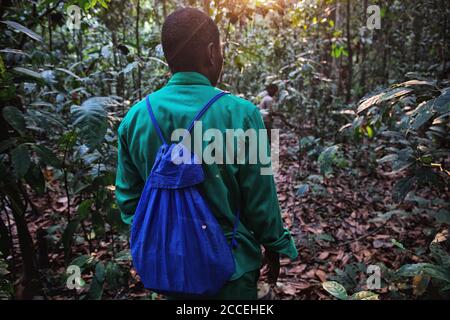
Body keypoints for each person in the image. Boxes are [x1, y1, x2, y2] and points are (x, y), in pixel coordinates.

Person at [115, 7, 297, 300]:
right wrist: (275, 245)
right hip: (231, 268)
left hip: (170, 269)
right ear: (212, 52)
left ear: (167, 56)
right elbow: (262, 198)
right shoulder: (245, 114)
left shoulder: (134, 119)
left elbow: (128, 202)